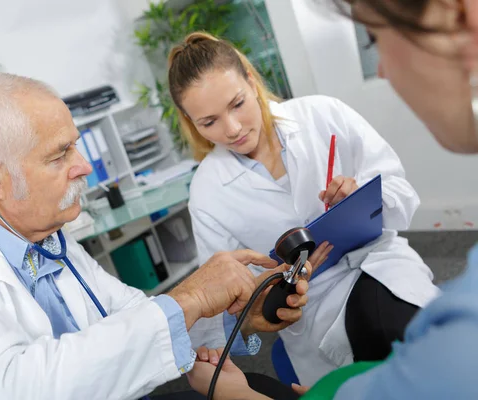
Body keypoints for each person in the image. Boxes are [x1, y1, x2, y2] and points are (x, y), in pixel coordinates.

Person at [0, 72, 311, 400]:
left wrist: (237, 315)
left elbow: (132, 316)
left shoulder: (47, 240)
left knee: (258, 386)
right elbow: (8, 387)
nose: (84, 165)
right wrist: (191, 298)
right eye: (60, 154)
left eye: (76, 144)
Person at [186, 0, 478, 398]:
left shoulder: (323, 115)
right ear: (193, 126)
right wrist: (258, 308)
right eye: (210, 122)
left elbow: (401, 196)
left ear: (252, 83)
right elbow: (223, 308)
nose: (233, 128)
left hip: (381, 266)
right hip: (312, 311)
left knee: (413, 337)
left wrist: (361, 195)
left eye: (237, 104)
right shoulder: (206, 191)